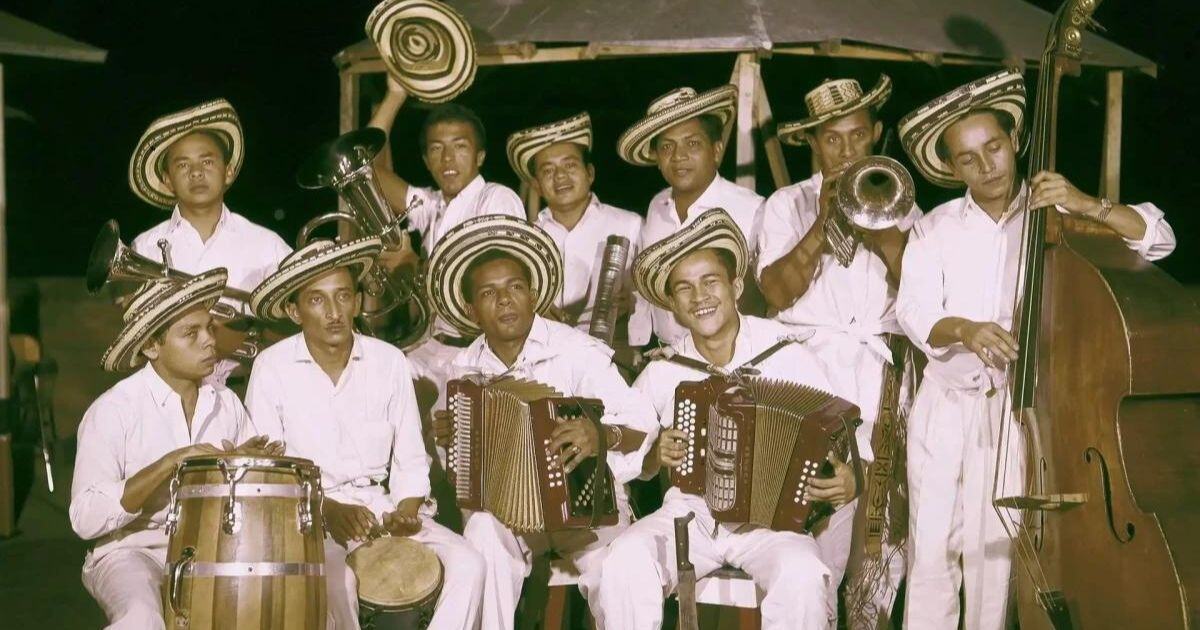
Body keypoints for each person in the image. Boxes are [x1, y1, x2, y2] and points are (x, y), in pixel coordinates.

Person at [895, 69, 1176, 630]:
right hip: (945, 406)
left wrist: (1086, 202)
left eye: (993, 147)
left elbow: (1159, 238)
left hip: (1021, 413)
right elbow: (914, 312)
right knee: (929, 553)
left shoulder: (1056, 212)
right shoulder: (935, 227)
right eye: (967, 158)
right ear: (951, 168)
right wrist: (966, 329)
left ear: (1016, 140)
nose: (986, 166)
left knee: (995, 554)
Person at [587, 209, 856, 629]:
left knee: (803, 575)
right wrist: (656, 454)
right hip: (690, 518)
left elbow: (845, 441)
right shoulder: (664, 369)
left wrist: (848, 478)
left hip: (771, 523)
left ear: (735, 286)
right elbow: (623, 451)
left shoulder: (787, 354)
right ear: (673, 307)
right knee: (623, 559)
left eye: (710, 281)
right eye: (684, 289)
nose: (700, 297)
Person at [422, 214, 656, 629]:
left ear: (532, 295)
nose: (506, 300)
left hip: (586, 507)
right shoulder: (463, 368)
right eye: (489, 293)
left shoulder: (577, 350)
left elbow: (641, 421)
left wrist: (600, 433)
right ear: (472, 309)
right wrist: (453, 440)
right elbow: (461, 473)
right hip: (511, 511)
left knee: (620, 568)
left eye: (515, 287)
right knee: (481, 532)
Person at [245, 237, 485, 630]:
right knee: (338, 583)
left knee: (470, 564)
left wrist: (406, 512)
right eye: (317, 300)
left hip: (382, 508)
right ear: (293, 309)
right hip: (307, 519)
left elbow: (410, 459)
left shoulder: (388, 361)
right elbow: (270, 476)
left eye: (343, 296)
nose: (334, 312)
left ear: (357, 301)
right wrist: (327, 510)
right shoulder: (271, 368)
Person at [758, 76, 917, 627]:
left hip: (879, 381)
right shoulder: (785, 203)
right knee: (815, 518)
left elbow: (918, 294)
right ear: (814, 143)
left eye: (856, 137)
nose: (846, 151)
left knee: (881, 531)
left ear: (876, 134)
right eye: (832, 140)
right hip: (808, 376)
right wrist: (822, 228)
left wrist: (879, 224)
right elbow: (772, 293)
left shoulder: (899, 199)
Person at [70, 269, 278, 629]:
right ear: (152, 346)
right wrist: (171, 463)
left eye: (210, 328)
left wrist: (245, 467)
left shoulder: (226, 402)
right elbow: (85, 519)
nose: (210, 341)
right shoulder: (113, 410)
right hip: (129, 549)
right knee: (141, 618)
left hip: (210, 548)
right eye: (190, 333)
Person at [366, 77, 526, 405]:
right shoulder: (432, 204)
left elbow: (490, 286)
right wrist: (395, 95)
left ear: (480, 156)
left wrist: (413, 264)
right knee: (375, 392)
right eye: (437, 149)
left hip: (480, 354)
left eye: (460, 146)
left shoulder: (496, 198)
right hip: (432, 348)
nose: (448, 159)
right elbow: (366, 168)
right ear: (426, 160)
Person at [127, 99, 292, 383]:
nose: (196, 173)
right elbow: (138, 341)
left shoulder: (267, 244)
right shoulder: (144, 248)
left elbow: (295, 323)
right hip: (170, 396)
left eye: (207, 161)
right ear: (167, 180)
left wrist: (240, 340)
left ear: (227, 171)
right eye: (182, 165)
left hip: (248, 390)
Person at [617, 85, 765, 346]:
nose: (679, 157)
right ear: (657, 158)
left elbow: (761, 300)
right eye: (666, 147)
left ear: (716, 150)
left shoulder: (751, 210)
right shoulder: (657, 206)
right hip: (667, 356)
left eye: (693, 143)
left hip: (733, 357)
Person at [508, 113, 644, 343]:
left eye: (570, 165)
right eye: (548, 170)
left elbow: (656, 300)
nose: (560, 176)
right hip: (546, 359)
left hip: (614, 357)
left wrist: (634, 304)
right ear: (537, 186)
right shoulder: (526, 240)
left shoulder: (630, 225)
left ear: (589, 173)